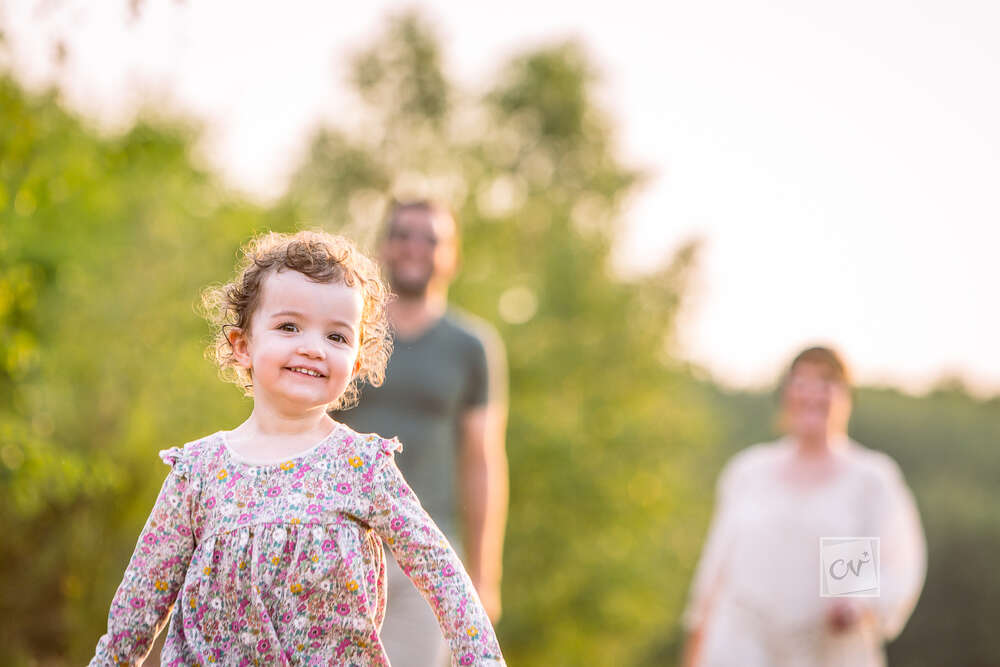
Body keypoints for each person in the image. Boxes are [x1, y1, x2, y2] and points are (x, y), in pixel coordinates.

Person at [89, 231, 505, 666]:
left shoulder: (361, 466)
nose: (312, 347)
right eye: (289, 326)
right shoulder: (198, 472)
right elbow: (136, 608)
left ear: (357, 363)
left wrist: (482, 658)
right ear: (243, 346)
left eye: (337, 337)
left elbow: (438, 568)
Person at [331, 200, 508, 667]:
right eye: (404, 234)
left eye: (431, 238)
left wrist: (485, 578)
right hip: (335, 542)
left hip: (428, 554)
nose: (415, 247)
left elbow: (483, 460)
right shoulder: (344, 332)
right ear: (384, 246)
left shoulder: (472, 347)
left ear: (451, 254)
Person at [682, 346, 926, 667]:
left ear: (846, 396)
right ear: (785, 394)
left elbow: (897, 565)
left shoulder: (868, 480)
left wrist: (856, 605)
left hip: (825, 651)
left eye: (826, 382)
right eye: (801, 382)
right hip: (742, 646)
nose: (812, 394)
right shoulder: (748, 471)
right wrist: (694, 647)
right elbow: (714, 571)